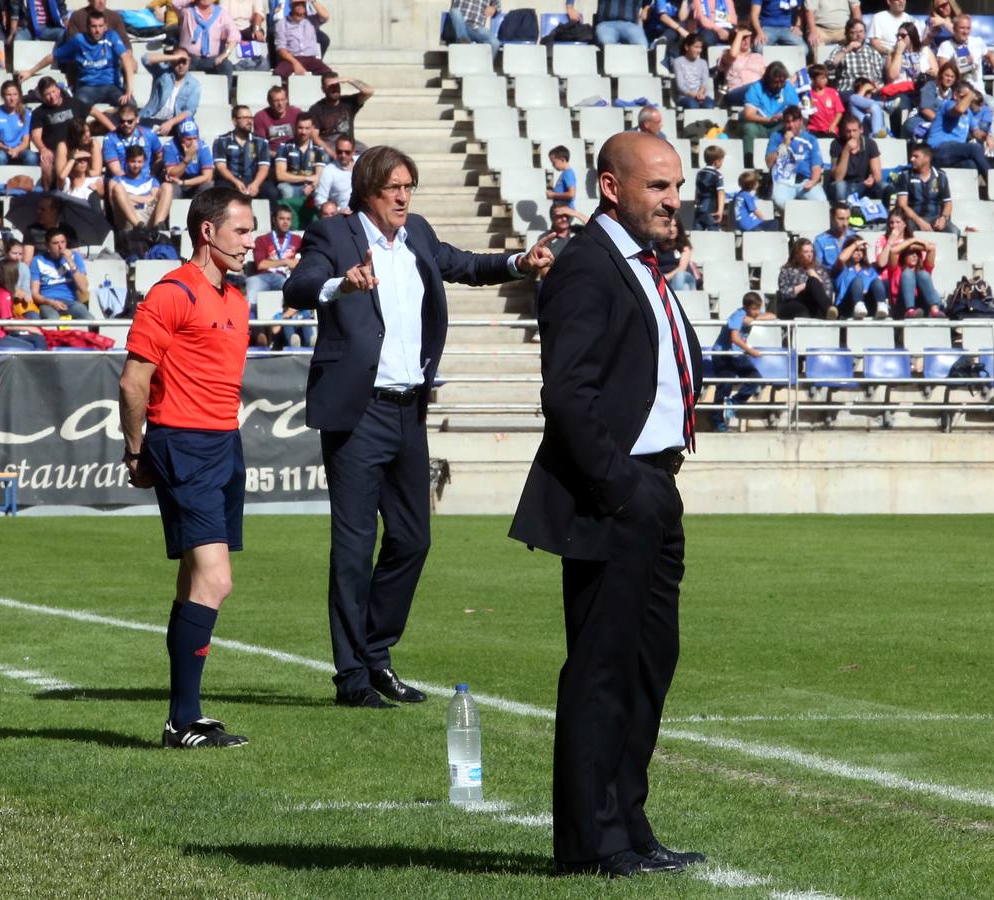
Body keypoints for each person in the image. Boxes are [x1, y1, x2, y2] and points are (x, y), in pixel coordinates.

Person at [283, 144, 552, 709]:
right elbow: (298, 287)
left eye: (409, 186)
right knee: (354, 548)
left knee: (412, 539)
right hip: (358, 413)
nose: (404, 197)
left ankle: (375, 654)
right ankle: (352, 678)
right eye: (394, 188)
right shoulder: (334, 235)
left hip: (409, 410)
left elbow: (465, 265)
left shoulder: (418, 234)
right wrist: (341, 285)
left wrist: (518, 264)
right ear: (367, 192)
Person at [508, 131, 704, 879]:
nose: (673, 200)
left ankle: (627, 821)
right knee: (602, 667)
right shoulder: (587, 265)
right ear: (611, 187)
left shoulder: (641, 265)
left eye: (676, 186)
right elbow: (567, 394)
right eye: (657, 186)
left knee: (648, 663)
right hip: (618, 493)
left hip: (656, 485)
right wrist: (619, 487)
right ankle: (591, 841)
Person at [118, 186, 257, 749]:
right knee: (216, 580)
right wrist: (136, 450)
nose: (249, 241)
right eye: (241, 231)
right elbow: (133, 382)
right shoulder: (171, 293)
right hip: (183, 444)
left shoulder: (237, 299)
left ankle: (182, 720)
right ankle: (183, 720)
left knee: (194, 582)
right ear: (207, 231)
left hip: (225, 444)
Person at [43, 8, 136, 107]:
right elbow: (54, 56)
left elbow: (126, 58)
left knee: (130, 104)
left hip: (112, 86)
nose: (97, 30)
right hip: (87, 87)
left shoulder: (111, 36)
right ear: (87, 27)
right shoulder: (79, 40)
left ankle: (112, 115)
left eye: (100, 26)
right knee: (76, 106)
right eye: (94, 26)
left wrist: (129, 89)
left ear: (105, 27)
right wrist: (32, 71)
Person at [710, 290, 771, 431]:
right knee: (725, 385)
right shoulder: (738, 315)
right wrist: (751, 351)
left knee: (755, 378)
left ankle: (733, 403)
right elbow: (735, 338)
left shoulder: (752, 315)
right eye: (754, 309)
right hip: (723, 354)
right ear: (746, 307)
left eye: (758, 308)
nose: (757, 312)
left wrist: (755, 319)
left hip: (736, 355)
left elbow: (772, 316)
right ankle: (718, 421)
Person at [29, 77, 104, 191]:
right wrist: (43, 149)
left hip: (78, 148)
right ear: (42, 96)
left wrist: (114, 130)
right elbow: (35, 136)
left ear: (59, 90)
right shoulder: (39, 112)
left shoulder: (73, 103)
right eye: (47, 94)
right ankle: (49, 193)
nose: (52, 96)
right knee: (46, 161)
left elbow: (95, 112)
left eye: (53, 91)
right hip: (55, 151)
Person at [0, 258, 46, 351]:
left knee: (37, 338)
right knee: (29, 348)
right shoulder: (4, 295)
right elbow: (7, 325)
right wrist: (30, 328)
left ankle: (43, 359)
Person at [212, 105, 277, 201]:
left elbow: (264, 167)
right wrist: (236, 182)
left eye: (251, 117)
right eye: (245, 118)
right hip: (230, 180)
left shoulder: (261, 142)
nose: (249, 121)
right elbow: (221, 167)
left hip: (253, 179)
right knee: (221, 192)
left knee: (272, 192)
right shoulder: (221, 141)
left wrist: (256, 184)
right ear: (234, 121)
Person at [765, 105, 824, 210]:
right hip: (783, 182)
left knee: (821, 202)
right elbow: (769, 163)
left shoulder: (811, 139)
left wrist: (813, 181)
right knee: (779, 201)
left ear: (801, 121)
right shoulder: (776, 137)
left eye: (793, 121)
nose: (790, 125)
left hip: (805, 181)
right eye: (787, 122)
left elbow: (816, 165)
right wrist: (784, 145)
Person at [925, 81, 989, 178]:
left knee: (971, 165)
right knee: (975, 148)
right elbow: (959, 110)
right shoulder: (948, 104)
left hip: (954, 153)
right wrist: (971, 95)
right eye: (965, 97)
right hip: (937, 149)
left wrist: (987, 137)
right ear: (955, 95)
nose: (968, 101)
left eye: (969, 99)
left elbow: (976, 132)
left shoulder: (969, 113)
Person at [246, 204, 299, 309]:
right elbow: (261, 265)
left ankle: (289, 317)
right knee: (252, 292)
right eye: (282, 218)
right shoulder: (262, 239)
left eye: (288, 219)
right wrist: (286, 261)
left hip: (285, 277)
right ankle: (250, 318)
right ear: (274, 220)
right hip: (262, 277)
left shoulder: (297, 240)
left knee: (292, 289)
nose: (285, 222)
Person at [110, 145, 173, 234]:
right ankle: (138, 226)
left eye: (139, 162)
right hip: (127, 219)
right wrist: (145, 199)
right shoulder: (116, 180)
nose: (136, 165)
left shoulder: (152, 180)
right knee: (118, 188)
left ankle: (158, 227)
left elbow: (153, 199)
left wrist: (128, 197)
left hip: (148, 215)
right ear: (127, 161)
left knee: (167, 186)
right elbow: (114, 204)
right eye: (133, 161)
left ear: (144, 162)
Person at [308, 73, 373, 158]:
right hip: (329, 145)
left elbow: (369, 91)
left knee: (369, 154)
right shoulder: (317, 108)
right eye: (330, 86)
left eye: (336, 85)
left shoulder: (348, 102)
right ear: (323, 89)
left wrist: (349, 80)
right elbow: (315, 137)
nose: (334, 89)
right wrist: (331, 153)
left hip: (348, 143)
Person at [897, 142, 955, 235]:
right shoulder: (905, 176)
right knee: (907, 231)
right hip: (913, 219)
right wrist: (920, 222)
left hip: (935, 218)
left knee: (954, 232)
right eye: (911, 156)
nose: (911, 159)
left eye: (916, 156)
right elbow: (902, 205)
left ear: (927, 158)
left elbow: (948, 202)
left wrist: (943, 218)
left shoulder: (941, 176)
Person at [171, 0, 242, 77]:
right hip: (189, 58)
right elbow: (174, 3)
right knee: (175, 64)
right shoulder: (186, 10)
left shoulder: (221, 13)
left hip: (211, 59)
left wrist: (225, 54)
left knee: (226, 65)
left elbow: (235, 34)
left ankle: (225, 85)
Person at [31, 228, 90, 320]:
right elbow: (34, 294)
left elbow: (84, 288)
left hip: (70, 302)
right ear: (47, 246)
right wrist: (51, 302)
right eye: (55, 243)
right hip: (48, 302)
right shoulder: (37, 260)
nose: (60, 246)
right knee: (53, 319)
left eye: (63, 242)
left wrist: (70, 262)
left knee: (89, 318)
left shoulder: (74, 257)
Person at [139, 49, 202, 134]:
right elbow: (145, 59)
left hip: (175, 124)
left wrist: (170, 123)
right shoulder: (162, 73)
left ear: (189, 61)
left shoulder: (194, 84)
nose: (181, 65)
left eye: (184, 62)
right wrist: (174, 57)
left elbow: (190, 111)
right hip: (150, 118)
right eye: (177, 62)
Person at [824, 111, 880, 203]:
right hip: (844, 185)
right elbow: (838, 178)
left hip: (863, 185)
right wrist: (846, 150)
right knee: (840, 186)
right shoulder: (836, 144)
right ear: (843, 132)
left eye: (854, 130)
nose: (851, 134)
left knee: (884, 186)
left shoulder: (870, 144)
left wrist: (872, 178)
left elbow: (877, 176)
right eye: (848, 131)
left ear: (861, 130)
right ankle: (842, 209)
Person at [274, 112, 329, 202]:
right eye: (300, 128)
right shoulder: (284, 146)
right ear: (295, 127)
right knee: (285, 190)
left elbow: (319, 176)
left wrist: (311, 186)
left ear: (312, 128)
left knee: (320, 191)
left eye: (307, 128)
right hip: (289, 185)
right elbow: (280, 175)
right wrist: (306, 178)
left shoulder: (318, 149)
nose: (303, 132)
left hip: (310, 187)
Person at [103, 102, 164, 179]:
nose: (125, 124)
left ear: (137, 119)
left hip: (146, 179)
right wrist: (132, 183)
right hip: (121, 180)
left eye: (130, 121)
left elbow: (161, 156)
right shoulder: (110, 139)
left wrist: (152, 174)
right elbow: (116, 170)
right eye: (122, 121)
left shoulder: (149, 134)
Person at [0, 80, 38, 170]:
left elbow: (25, 141)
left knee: (31, 157)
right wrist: (6, 148)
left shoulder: (26, 114)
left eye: (15, 94)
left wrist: (17, 150)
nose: (12, 98)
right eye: (8, 95)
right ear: (3, 96)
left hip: (20, 148)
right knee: (0, 157)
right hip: (1, 149)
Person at [273, 0, 333, 76]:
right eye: (297, 4)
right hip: (291, 58)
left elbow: (325, 16)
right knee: (278, 74)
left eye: (302, 4)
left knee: (330, 75)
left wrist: (312, 1)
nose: (300, 6)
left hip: (311, 59)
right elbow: (280, 48)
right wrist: (295, 63)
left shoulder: (312, 20)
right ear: (291, 6)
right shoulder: (281, 23)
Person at [833, 236, 888, 318]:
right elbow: (841, 259)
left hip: (867, 305)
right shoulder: (842, 268)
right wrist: (855, 244)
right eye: (856, 250)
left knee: (877, 281)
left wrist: (865, 290)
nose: (859, 253)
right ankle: (858, 305)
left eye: (861, 250)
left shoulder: (869, 269)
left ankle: (881, 306)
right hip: (847, 304)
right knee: (857, 280)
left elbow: (876, 285)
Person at [164, 118, 216, 200]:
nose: (193, 143)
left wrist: (183, 183)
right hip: (176, 183)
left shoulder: (203, 147)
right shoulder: (170, 146)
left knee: (209, 185)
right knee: (169, 187)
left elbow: (207, 177)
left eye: (195, 138)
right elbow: (172, 175)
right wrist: (187, 159)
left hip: (195, 182)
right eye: (188, 139)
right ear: (180, 138)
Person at [717, 28, 765, 106]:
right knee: (755, 86)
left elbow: (765, 76)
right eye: (742, 38)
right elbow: (733, 55)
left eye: (747, 38)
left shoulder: (758, 57)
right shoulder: (726, 54)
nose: (746, 41)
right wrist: (739, 34)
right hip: (735, 92)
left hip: (757, 91)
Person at [313, 134, 354, 213]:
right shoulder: (329, 171)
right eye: (339, 152)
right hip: (344, 214)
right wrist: (338, 211)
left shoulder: (361, 164)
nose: (343, 155)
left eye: (347, 152)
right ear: (335, 150)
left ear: (353, 152)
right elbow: (320, 199)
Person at [672, 34, 715, 109]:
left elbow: (704, 82)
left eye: (700, 47)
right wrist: (694, 95)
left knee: (710, 105)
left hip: (701, 96)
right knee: (693, 105)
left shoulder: (703, 62)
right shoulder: (678, 62)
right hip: (685, 96)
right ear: (687, 47)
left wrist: (700, 93)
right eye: (696, 47)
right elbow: (680, 86)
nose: (699, 50)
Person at [255, 86, 300, 155]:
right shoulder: (261, 116)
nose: (280, 104)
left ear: (287, 100)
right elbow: (260, 146)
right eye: (276, 101)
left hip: (294, 153)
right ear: (269, 102)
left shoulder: (296, 113)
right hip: (272, 155)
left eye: (283, 99)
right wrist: (278, 155)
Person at [692, 144, 726, 231]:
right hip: (711, 211)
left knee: (697, 235)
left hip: (699, 210)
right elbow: (721, 193)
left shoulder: (699, 173)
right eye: (722, 161)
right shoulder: (717, 175)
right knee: (713, 235)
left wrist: (696, 203)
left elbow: (697, 191)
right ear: (717, 162)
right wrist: (720, 211)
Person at [656, 216, 696, 291]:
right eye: (669, 225)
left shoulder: (684, 246)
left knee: (679, 276)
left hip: (683, 276)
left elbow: (681, 268)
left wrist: (665, 278)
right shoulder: (656, 246)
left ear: (679, 228)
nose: (672, 229)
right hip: (665, 278)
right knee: (685, 287)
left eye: (675, 226)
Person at [805, 65, 844, 137]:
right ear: (813, 79)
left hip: (830, 130)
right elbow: (806, 113)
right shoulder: (808, 94)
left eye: (826, 77)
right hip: (814, 130)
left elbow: (839, 112)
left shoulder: (832, 92)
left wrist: (833, 126)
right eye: (822, 78)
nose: (826, 80)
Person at [545, 145, 577, 210]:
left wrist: (553, 195)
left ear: (562, 160)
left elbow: (571, 194)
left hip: (566, 210)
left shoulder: (568, 173)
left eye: (554, 162)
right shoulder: (564, 173)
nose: (552, 165)